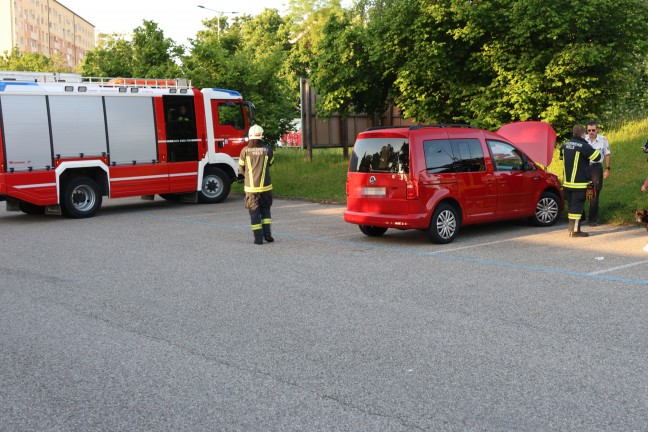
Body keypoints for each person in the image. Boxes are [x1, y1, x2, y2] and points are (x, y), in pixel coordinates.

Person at [560, 124, 601, 237]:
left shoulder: (564, 145)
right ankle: (575, 231)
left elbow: (561, 157)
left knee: (572, 207)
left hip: (567, 184)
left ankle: (572, 229)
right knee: (577, 208)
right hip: (579, 184)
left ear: (573, 133)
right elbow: (597, 157)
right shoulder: (583, 146)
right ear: (583, 134)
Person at [238, 124, 275, 245]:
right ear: (261, 136)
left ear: (250, 136)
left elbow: (241, 168)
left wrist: (248, 176)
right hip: (266, 187)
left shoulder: (244, 151)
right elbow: (270, 163)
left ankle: (258, 239)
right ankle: (268, 235)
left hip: (251, 188)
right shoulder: (268, 150)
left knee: (254, 213)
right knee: (265, 212)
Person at [581, 121, 611, 226]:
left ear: (597, 130)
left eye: (593, 130)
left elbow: (607, 154)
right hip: (584, 167)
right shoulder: (583, 139)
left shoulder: (603, 140)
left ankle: (592, 219)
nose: (591, 132)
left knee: (594, 193)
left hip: (596, 168)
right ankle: (582, 216)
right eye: (589, 130)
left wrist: (607, 169)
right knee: (581, 192)